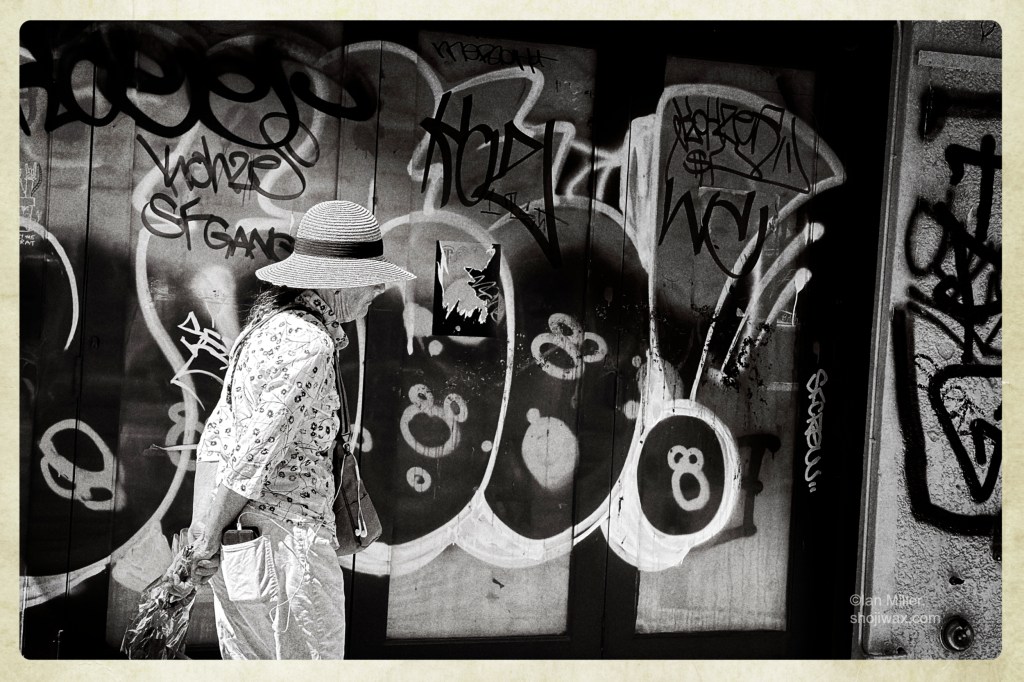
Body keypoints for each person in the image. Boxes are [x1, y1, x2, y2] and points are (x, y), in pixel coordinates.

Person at [188, 200, 414, 659]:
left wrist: (204, 530)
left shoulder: (264, 330)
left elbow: (217, 434)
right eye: (372, 276)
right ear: (336, 281)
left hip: (243, 548)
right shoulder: (309, 344)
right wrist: (207, 536)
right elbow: (257, 450)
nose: (379, 287)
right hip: (290, 552)